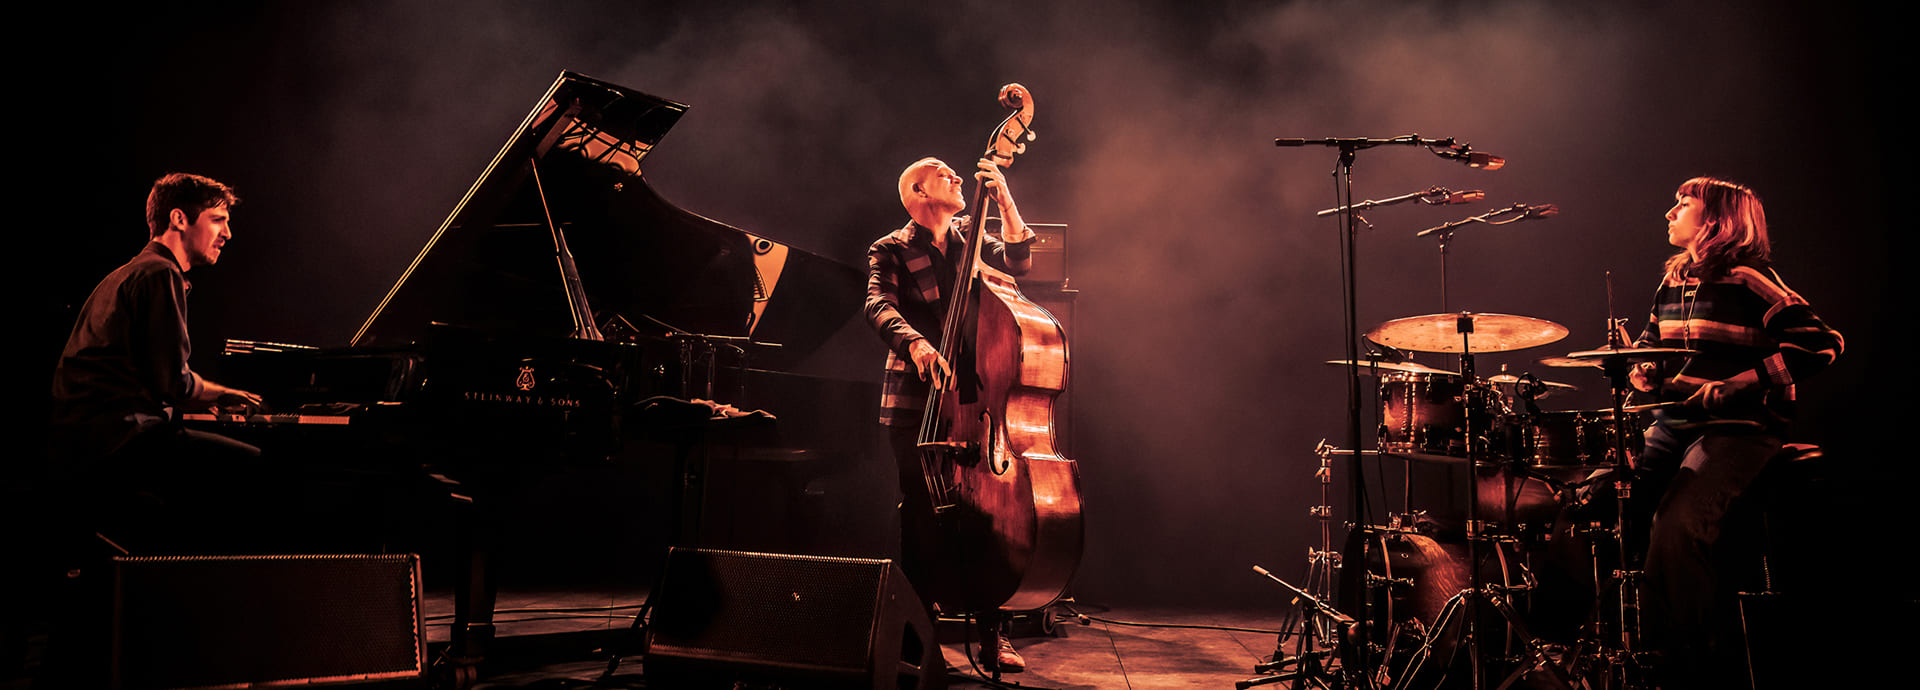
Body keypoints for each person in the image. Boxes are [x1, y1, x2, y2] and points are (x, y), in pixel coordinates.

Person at [1624, 177, 1841, 687]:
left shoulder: (1749, 278)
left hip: (1740, 430)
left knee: (1677, 530)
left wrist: (1740, 383)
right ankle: (1632, 651)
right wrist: (1642, 371)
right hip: (1676, 423)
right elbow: (1648, 350)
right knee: (1611, 505)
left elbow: (1823, 344)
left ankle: (1691, 667)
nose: (1669, 211)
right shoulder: (1672, 282)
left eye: (1683, 203)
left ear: (1718, 219)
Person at [865, 156, 1037, 673]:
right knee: (920, 517)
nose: (959, 177)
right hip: (915, 407)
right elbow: (877, 304)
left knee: (984, 521)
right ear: (918, 192)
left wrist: (1004, 198)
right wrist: (916, 345)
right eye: (944, 173)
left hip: (975, 403)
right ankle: (918, 634)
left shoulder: (972, 240)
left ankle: (993, 634)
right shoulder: (891, 248)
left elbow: (1022, 262)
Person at [49, 172, 267, 554]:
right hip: (118, 445)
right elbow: (173, 385)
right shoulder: (159, 273)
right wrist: (226, 392)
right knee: (255, 468)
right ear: (179, 219)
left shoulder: (130, 273)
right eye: (218, 220)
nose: (228, 234)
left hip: (88, 443)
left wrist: (201, 398)